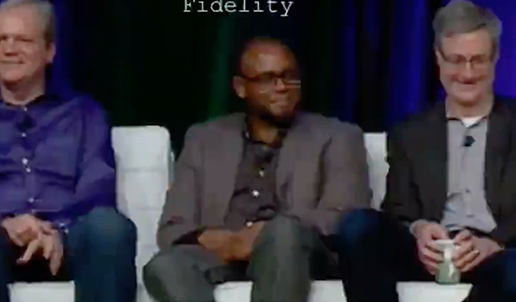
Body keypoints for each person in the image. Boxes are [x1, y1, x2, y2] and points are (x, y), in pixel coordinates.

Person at [336, 0, 516, 302]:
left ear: (495, 58)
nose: (467, 73)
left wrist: (492, 242)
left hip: (500, 252)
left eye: (478, 60)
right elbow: (398, 209)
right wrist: (420, 230)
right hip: (432, 253)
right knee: (358, 226)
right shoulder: (409, 132)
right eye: (456, 60)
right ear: (438, 59)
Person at [0, 0, 137, 302]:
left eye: (23, 40)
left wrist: (57, 230)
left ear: (49, 51)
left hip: (68, 244)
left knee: (110, 228)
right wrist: (5, 223)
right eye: (0, 40)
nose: (9, 49)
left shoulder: (84, 114)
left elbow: (98, 188)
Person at [143, 37, 371, 302]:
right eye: (267, 79)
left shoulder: (338, 136)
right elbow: (172, 227)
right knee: (164, 265)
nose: (282, 87)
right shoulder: (204, 139)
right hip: (223, 254)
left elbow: (345, 215)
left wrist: (264, 234)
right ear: (241, 88)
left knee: (283, 233)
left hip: (299, 254)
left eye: (289, 76)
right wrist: (228, 243)